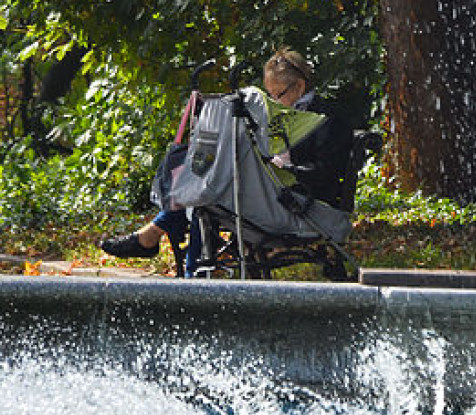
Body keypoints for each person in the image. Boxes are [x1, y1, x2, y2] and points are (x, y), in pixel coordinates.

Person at [99, 49, 357, 261]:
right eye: (269, 94)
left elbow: (324, 174)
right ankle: (179, 255)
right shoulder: (279, 116)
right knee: (209, 185)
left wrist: (283, 167)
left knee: (211, 188)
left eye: (279, 94)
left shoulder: (327, 119)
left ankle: (157, 240)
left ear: (300, 86)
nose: (274, 100)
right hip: (277, 193)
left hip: (302, 203)